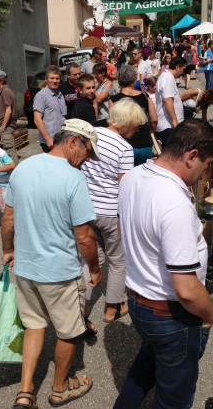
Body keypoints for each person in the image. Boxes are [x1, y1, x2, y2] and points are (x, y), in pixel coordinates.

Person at [114, 119, 213, 409]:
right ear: (192, 156)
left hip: (138, 300)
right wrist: (210, 314)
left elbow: (131, 232)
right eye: (208, 163)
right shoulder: (174, 202)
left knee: (146, 365)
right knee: (174, 396)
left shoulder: (134, 177)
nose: (206, 172)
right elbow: (186, 290)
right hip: (170, 315)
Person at [1, 120, 103, 409]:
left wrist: (8, 250)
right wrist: (95, 269)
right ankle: (60, 389)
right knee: (69, 331)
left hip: (26, 267)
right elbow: (84, 237)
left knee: (34, 326)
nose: (86, 161)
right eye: (87, 153)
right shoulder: (73, 179)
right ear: (73, 142)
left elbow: (8, 218)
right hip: (59, 271)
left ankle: (25, 392)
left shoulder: (24, 167)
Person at [81, 99, 147, 325]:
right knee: (118, 260)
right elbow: (124, 187)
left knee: (90, 260)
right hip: (110, 211)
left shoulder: (91, 134)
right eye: (137, 125)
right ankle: (111, 309)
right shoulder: (124, 148)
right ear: (127, 122)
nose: (138, 129)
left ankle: (80, 312)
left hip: (86, 209)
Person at [109, 66, 158, 165]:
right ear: (134, 80)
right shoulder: (145, 96)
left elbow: (113, 124)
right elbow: (154, 120)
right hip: (145, 144)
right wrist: (150, 131)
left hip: (124, 145)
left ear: (119, 80)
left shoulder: (114, 99)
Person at [155, 57, 187, 148]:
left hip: (169, 125)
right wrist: (175, 121)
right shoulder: (168, 78)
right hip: (168, 126)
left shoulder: (167, 77)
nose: (183, 72)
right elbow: (167, 100)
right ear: (177, 67)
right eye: (183, 69)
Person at [33, 65, 67, 153]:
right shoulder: (41, 96)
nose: (55, 81)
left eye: (57, 78)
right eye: (52, 78)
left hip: (61, 140)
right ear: (46, 79)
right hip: (50, 142)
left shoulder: (60, 95)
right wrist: (48, 138)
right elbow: (37, 119)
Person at [92, 62, 115, 127]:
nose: (95, 76)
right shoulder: (97, 84)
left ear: (103, 73)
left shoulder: (108, 83)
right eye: (93, 73)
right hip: (98, 117)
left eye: (96, 74)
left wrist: (92, 88)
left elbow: (99, 99)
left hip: (106, 117)